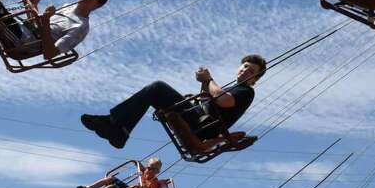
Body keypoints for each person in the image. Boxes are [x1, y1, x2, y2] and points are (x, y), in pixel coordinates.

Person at [80, 55, 267, 150]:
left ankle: (118, 127)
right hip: (201, 119)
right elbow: (207, 99)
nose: (244, 71)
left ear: (255, 79)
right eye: (244, 67)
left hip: (204, 127)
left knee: (157, 87)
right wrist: (204, 83)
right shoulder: (234, 87)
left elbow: (223, 101)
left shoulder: (246, 91)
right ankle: (118, 126)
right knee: (155, 92)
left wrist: (209, 79)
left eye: (250, 71)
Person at [77, 157, 167, 188]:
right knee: (111, 179)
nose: (148, 170)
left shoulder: (153, 183)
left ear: (157, 172)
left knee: (112, 187)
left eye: (151, 169)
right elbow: (140, 166)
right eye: (148, 167)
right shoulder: (145, 172)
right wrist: (136, 162)